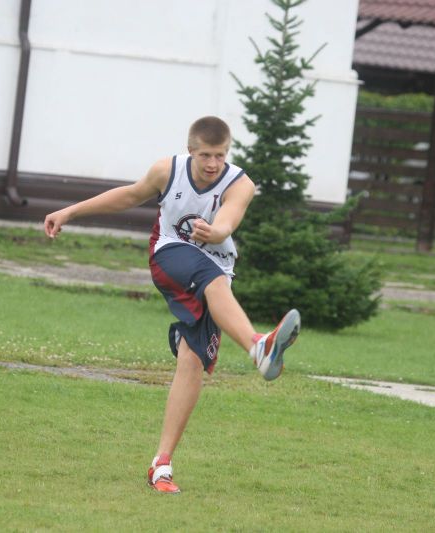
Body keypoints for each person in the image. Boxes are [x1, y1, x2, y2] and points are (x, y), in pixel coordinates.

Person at [43, 116, 300, 494]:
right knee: (212, 280)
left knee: (192, 360)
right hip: (169, 255)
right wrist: (70, 211)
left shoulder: (240, 183)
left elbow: (228, 221)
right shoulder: (168, 170)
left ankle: (160, 465)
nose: (213, 163)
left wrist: (217, 231)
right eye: (206, 155)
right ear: (191, 150)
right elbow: (129, 195)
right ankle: (257, 346)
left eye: (221, 155)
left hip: (216, 272)